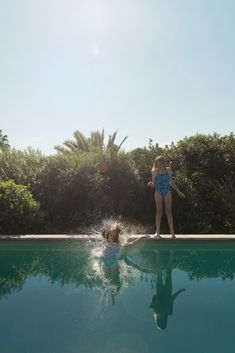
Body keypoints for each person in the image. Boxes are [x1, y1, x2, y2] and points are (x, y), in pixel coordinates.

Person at [147, 156, 185, 238]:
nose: (159, 166)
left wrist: (178, 192)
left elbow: (171, 182)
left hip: (167, 191)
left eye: (160, 164)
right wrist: (151, 184)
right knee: (159, 212)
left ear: (163, 163)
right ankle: (157, 232)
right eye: (157, 164)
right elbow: (154, 184)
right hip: (158, 192)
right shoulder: (154, 171)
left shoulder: (168, 170)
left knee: (168, 212)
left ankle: (172, 232)